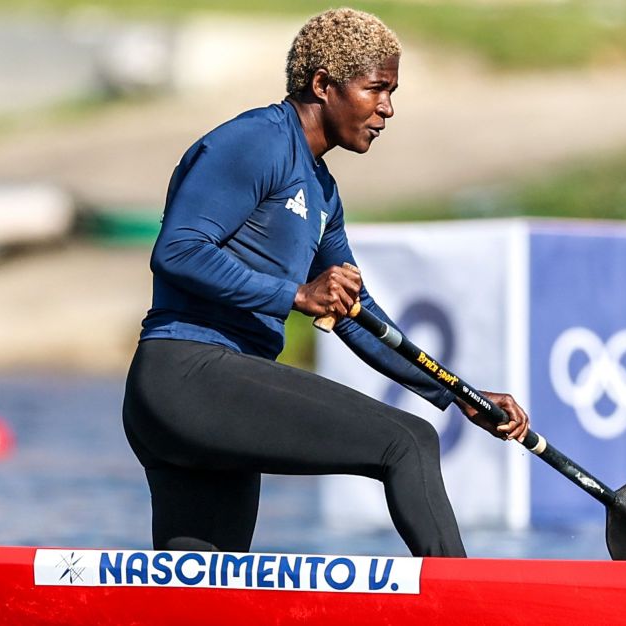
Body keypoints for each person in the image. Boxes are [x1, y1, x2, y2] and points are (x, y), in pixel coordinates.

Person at [122, 8, 530, 558]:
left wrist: (457, 393)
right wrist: (295, 295)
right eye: (376, 89)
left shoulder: (322, 191)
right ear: (322, 85)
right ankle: (467, 608)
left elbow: (358, 315)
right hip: (187, 376)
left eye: (392, 92)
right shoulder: (256, 142)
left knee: (203, 593)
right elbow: (177, 250)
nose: (387, 108)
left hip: (210, 397)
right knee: (408, 442)